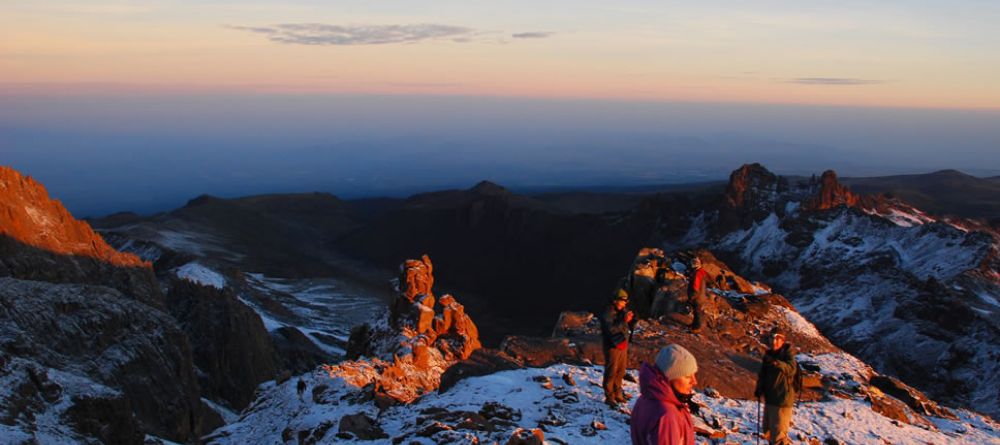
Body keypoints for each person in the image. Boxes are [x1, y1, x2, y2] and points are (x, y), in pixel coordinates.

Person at [630, 344, 698, 445]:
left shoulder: (647, 397)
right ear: (669, 377)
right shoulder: (667, 415)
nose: (694, 381)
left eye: (694, 374)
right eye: (687, 376)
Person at [754, 329, 800, 445]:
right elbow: (763, 374)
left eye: (777, 338)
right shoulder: (768, 356)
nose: (774, 341)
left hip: (781, 401)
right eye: (772, 338)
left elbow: (791, 369)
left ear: (782, 340)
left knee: (778, 436)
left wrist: (777, 363)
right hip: (770, 399)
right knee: (768, 431)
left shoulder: (788, 355)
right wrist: (759, 388)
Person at [600, 289, 637, 407]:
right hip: (613, 345)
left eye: (625, 302)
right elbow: (611, 329)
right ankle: (609, 396)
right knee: (611, 370)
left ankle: (618, 393)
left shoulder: (622, 311)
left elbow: (626, 325)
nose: (624, 304)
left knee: (621, 370)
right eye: (622, 301)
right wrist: (623, 320)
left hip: (622, 344)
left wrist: (632, 320)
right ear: (615, 301)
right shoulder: (608, 313)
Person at [686, 257, 708, 332]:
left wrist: (692, 296)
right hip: (701, 295)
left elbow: (696, 285)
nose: (692, 264)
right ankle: (694, 325)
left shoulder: (697, 273)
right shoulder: (702, 272)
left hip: (697, 296)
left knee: (697, 311)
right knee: (696, 311)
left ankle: (697, 328)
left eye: (693, 263)